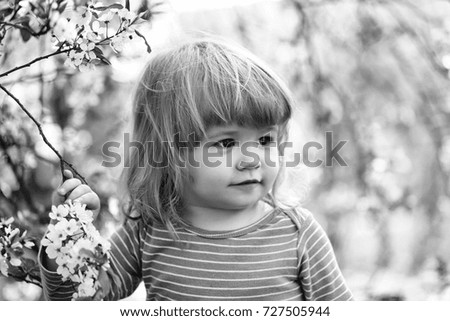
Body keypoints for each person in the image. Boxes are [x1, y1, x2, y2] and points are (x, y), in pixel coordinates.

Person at [39, 38, 353, 301]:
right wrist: (67, 240)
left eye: (266, 139)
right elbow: (86, 299)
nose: (252, 159)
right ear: (168, 152)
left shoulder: (297, 235)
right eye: (227, 143)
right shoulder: (150, 230)